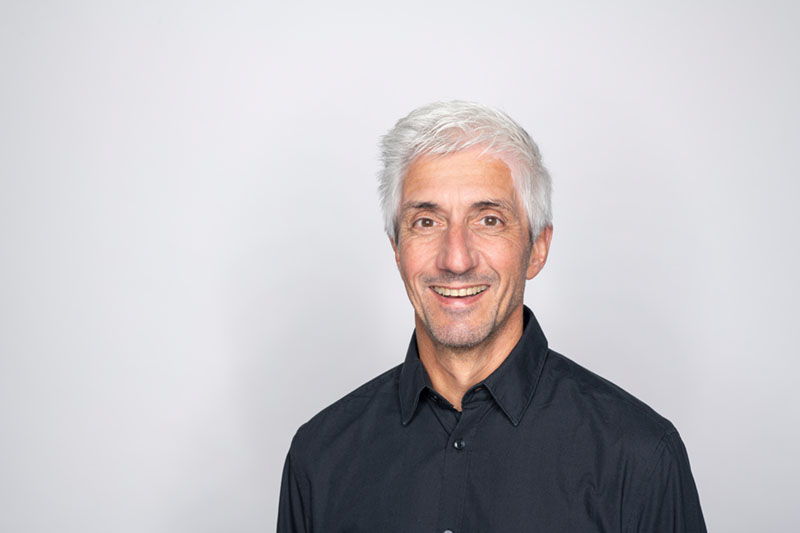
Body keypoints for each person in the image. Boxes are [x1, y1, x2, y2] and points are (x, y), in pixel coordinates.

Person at [277, 101, 706, 532]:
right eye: (426, 222)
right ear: (397, 249)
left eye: (488, 220)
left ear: (537, 249)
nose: (456, 259)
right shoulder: (318, 458)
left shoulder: (640, 458)